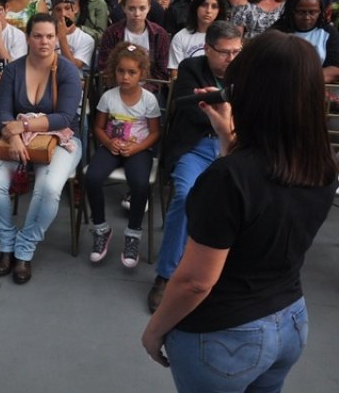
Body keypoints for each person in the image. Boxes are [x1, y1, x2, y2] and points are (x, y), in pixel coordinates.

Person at [141, 31, 337, 393]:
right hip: (290, 320)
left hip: (225, 336)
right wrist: (229, 140)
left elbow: (196, 281)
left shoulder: (228, 177)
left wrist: (155, 331)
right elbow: (268, 198)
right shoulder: (321, 164)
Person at [147, 21, 242, 313]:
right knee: (186, 196)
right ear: (207, 49)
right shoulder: (191, 67)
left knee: (243, 203)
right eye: (225, 53)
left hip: (238, 147)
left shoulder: (248, 69)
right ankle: (166, 274)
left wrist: (215, 104)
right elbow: (189, 107)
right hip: (197, 146)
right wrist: (225, 112)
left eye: (237, 51)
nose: (232, 59)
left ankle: (226, 277)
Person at [0, 13, 83, 284]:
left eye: (50, 36)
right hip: (17, 137)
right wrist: (12, 136)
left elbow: (65, 117)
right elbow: (3, 110)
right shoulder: (13, 70)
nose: (44, 41)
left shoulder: (67, 71)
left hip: (62, 138)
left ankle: (24, 248)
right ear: (27, 38)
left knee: (49, 189)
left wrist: (22, 126)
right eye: (38, 35)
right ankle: (6, 243)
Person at [85, 43, 161, 267]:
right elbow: (98, 128)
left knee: (139, 183)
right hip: (112, 147)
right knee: (92, 177)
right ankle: (101, 230)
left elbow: (155, 132)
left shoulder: (148, 99)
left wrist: (136, 148)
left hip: (138, 150)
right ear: (113, 71)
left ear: (141, 74)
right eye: (120, 71)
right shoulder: (109, 97)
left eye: (131, 72)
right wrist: (109, 143)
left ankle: (133, 234)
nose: (125, 77)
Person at [96, 0, 170, 83]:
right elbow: (105, 67)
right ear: (124, 8)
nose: (137, 13)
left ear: (149, 8)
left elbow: (162, 72)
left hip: (149, 89)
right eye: (131, 8)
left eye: (142, 8)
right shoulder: (111, 33)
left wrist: (142, 90)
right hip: (118, 86)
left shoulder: (160, 34)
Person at [270, 0, 339, 82]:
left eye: (312, 12)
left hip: (315, 85)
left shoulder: (329, 32)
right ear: (291, 11)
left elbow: (335, 69)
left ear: (320, 11)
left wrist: (303, 80)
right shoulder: (277, 31)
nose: (307, 17)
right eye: (301, 12)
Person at [168, 0, 224, 78]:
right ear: (196, 7)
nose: (208, 11)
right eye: (204, 5)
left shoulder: (225, 37)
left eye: (214, 7)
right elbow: (175, 73)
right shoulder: (180, 37)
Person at [51, 0, 95, 72]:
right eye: (58, 10)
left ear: (75, 9)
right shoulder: (46, 36)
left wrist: (62, 37)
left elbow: (72, 67)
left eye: (67, 8)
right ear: (52, 13)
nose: (63, 14)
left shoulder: (86, 39)